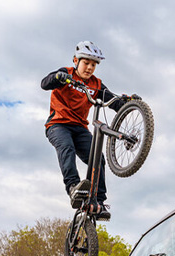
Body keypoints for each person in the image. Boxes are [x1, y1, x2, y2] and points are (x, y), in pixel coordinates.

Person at [41, 41, 127, 221]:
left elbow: (113, 102)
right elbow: (45, 83)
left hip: (80, 128)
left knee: (98, 159)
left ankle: (99, 201)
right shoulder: (66, 73)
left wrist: (129, 102)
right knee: (67, 148)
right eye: (86, 63)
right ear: (76, 61)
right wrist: (58, 77)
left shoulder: (96, 85)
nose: (89, 67)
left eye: (93, 65)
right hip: (58, 125)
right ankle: (73, 187)